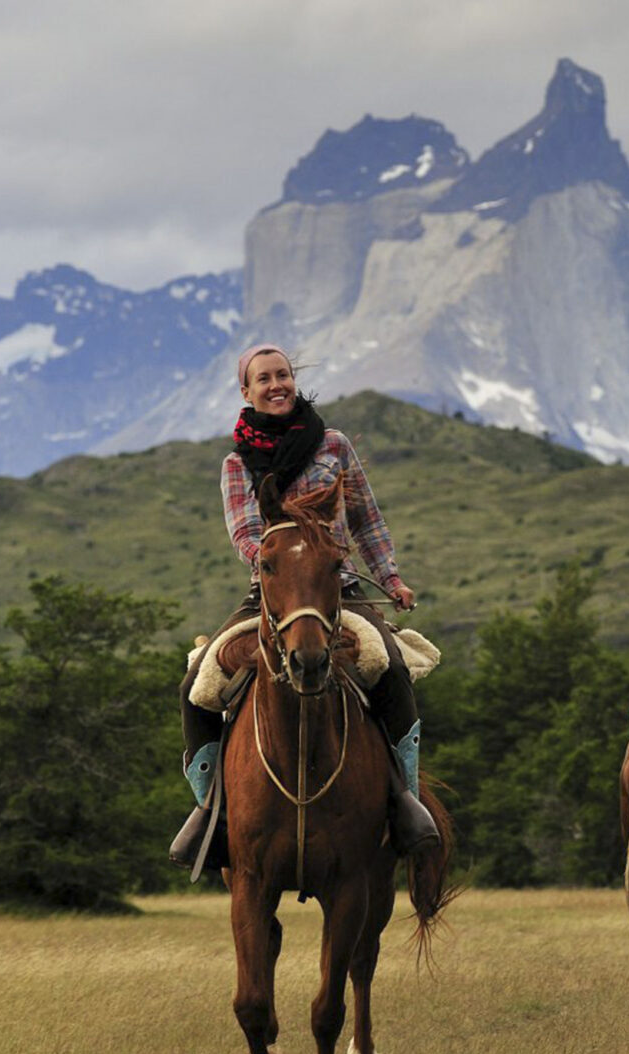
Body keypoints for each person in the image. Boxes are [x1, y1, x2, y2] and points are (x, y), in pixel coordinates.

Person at [169, 344, 439, 867]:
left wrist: (391, 578)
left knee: (390, 666)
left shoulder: (333, 445)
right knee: (196, 685)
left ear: (294, 381)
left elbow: (367, 520)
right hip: (271, 592)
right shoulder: (235, 464)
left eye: (283, 375)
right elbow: (245, 534)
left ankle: (404, 800)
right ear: (246, 391)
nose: (276, 385)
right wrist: (283, 561)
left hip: (337, 587)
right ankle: (212, 814)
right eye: (264, 378)